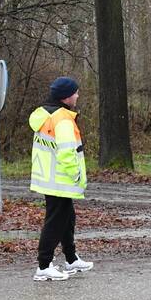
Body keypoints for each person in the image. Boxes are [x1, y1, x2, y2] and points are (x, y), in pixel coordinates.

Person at [29, 77, 93, 281]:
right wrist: (76, 175)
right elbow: (67, 153)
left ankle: (71, 259)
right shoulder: (63, 119)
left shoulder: (46, 115)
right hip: (60, 179)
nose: (77, 95)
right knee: (55, 222)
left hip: (48, 177)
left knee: (67, 219)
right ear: (66, 97)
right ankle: (44, 265)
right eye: (75, 92)